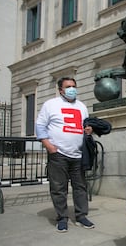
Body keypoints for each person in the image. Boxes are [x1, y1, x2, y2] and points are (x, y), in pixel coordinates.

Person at [36, 77, 94, 233]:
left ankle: (81, 216)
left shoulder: (82, 106)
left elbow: (85, 126)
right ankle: (62, 218)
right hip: (59, 154)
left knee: (80, 187)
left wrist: (88, 130)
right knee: (59, 188)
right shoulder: (50, 104)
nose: (72, 89)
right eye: (68, 86)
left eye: (74, 86)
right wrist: (49, 146)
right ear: (60, 90)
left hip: (78, 154)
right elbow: (40, 125)